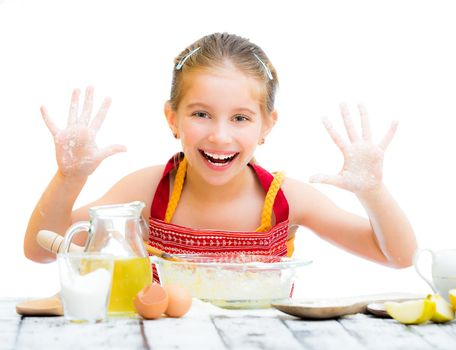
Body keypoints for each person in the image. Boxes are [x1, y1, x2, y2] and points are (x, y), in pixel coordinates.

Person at [24, 33, 417, 274]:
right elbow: (42, 249)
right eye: (201, 114)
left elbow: (398, 257)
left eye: (241, 118)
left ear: (267, 126)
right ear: (172, 118)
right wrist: (69, 177)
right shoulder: (147, 190)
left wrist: (373, 192)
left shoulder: (286, 199)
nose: (220, 135)